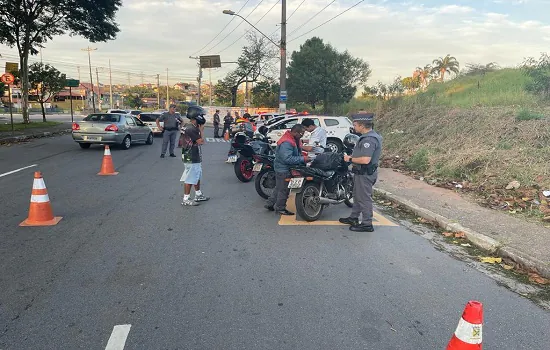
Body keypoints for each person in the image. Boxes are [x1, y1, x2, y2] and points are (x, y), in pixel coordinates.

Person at [339, 112, 383, 232]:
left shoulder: (370, 139)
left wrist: (350, 159)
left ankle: (367, 224)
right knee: (357, 196)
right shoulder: (367, 136)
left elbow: (365, 159)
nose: (354, 127)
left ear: (362, 126)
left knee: (364, 199)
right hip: (360, 173)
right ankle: (354, 217)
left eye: (355, 125)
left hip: (365, 173)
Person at [265, 124, 309, 215]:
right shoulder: (287, 142)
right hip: (283, 168)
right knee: (283, 190)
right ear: (295, 132)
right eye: (302, 133)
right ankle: (280, 208)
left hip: (282, 167)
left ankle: (270, 203)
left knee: (279, 187)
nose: (302, 135)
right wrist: (303, 159)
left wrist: (302, 155)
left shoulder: (293, 138)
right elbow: (287, 159)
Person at [180, 106, 210, 206]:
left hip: (189, 154)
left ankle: (198, 194)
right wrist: (201, 130)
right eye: (201, 115)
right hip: (191, 155)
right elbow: (201, 141)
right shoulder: (192, 128)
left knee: (196, 175)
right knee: (190, 178)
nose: (202, 117)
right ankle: (186, 198)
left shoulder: (187, 125)